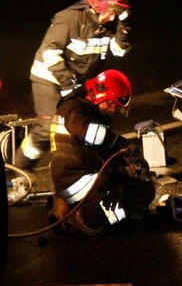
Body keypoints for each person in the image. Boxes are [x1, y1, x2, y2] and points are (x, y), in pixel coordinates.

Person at [15, 0, 132, 172]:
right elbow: (49, 52)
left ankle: (90, 169)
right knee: (48, 128)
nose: (113, 19)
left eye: (117, 14)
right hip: (49, 77)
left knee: (84, 124)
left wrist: (125, 26)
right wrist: (67, 82)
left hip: (75, 81)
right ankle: (17, 170)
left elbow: (120, 51)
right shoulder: (69, 18)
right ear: (100, 4)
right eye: (113, 12)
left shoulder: (110, 25)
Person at [48, 69, 155, 235]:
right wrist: (123, 145)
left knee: (133, 184)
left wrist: (127, 161)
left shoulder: (82, 108)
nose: (112, 110)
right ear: (97, 94)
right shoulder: (74, 111)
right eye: (111, 103)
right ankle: (82, 217)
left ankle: (68, 208)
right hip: (77, 182)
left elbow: (99, 151)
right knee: (142, 193)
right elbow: (92, 136)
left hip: (82, 174)